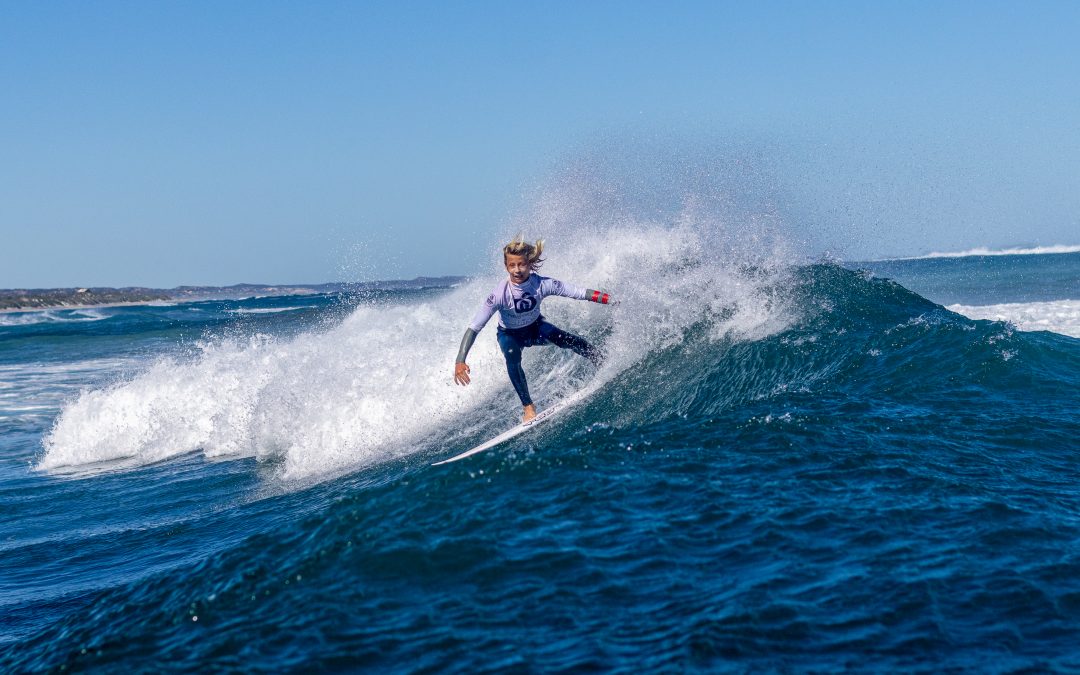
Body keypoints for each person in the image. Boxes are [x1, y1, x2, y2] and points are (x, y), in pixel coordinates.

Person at [453, 236, 616, 422]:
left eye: (521, 264)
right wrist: (460, 360)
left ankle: (601, 360)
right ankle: (528, 407)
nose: (517, 270)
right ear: (506, 266)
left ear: (529, 264)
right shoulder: (499, 295)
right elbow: (474, 327)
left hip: (535, 328)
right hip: (510, 335)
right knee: (512, 354)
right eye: (512, 265)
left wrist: (611, 300)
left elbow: (578, 292)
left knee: (564, 338)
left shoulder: (542, 284)